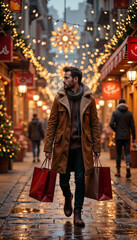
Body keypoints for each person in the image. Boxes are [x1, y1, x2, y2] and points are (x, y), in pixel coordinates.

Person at [44, 66, 101, 227]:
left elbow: (94, 124)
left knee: (80, 180)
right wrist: (48, 147)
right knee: (63, 180)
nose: (64, 80)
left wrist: (97, 147)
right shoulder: (59, 98)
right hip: (63, 147)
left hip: (82, 148)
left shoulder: (89, 98)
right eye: (64, 77)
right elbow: (52, 123)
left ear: (76, 79)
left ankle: (77, 213)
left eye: (67, 77)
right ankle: (68, 197)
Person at [109, 98, 136, 178]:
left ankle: (118, 171)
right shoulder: (129, 113)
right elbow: (132, 126)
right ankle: (128, 164)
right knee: (127, 152)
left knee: (118, 153)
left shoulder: (115, 113)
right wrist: (134, 136)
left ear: (118, 104)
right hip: (127, 136)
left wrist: (116, 129)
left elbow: (111, 123)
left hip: (118, 136)